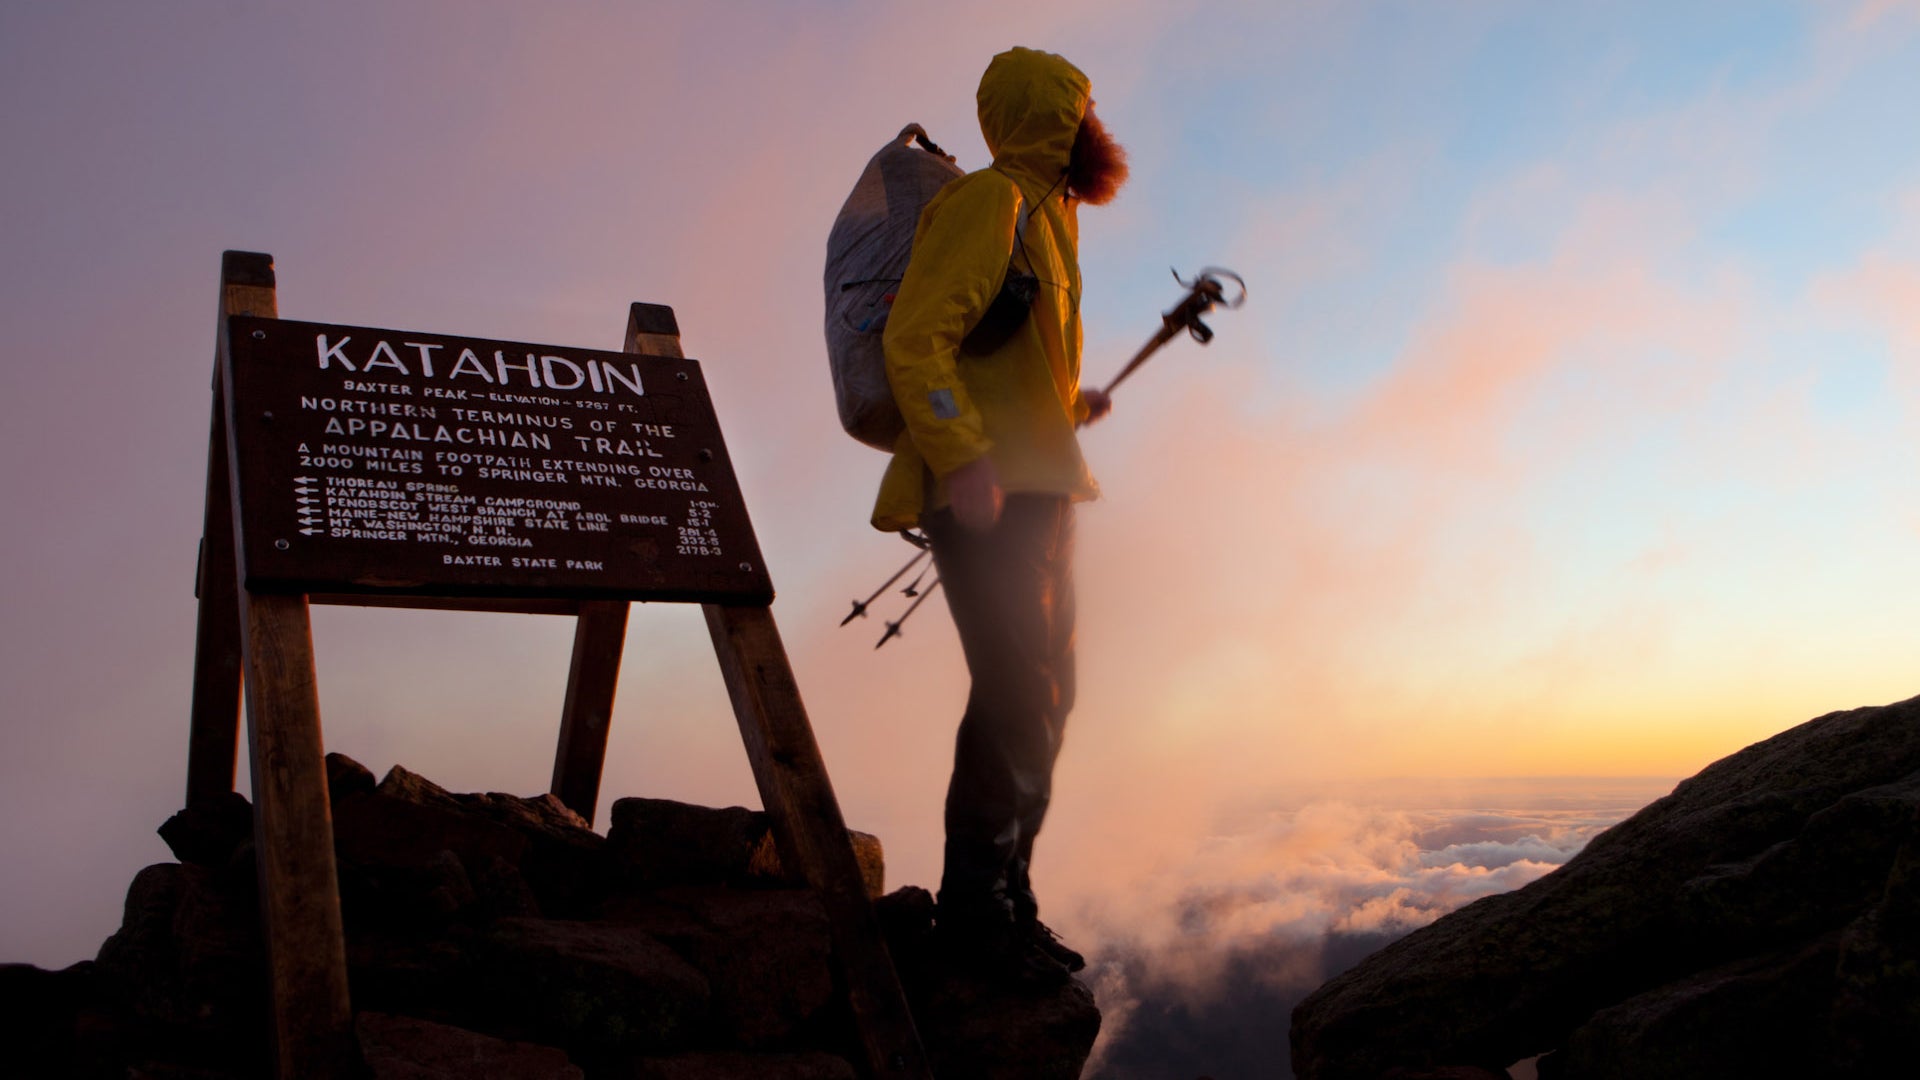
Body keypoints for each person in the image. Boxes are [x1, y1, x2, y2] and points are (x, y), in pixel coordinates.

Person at [872, 46, 1128, 983]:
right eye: (1084, 109)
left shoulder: (1054, 220)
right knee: (1018, 693)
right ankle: (975, 919)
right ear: (1051, 116)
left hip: (1046, 492)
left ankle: (1012, 905)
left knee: (1048, 702)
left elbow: (1000, 354)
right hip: (987, 498)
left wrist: (1067, 405)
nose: (1097, 126)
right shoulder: (990, 202)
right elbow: (917, 339)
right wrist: (963, 455)